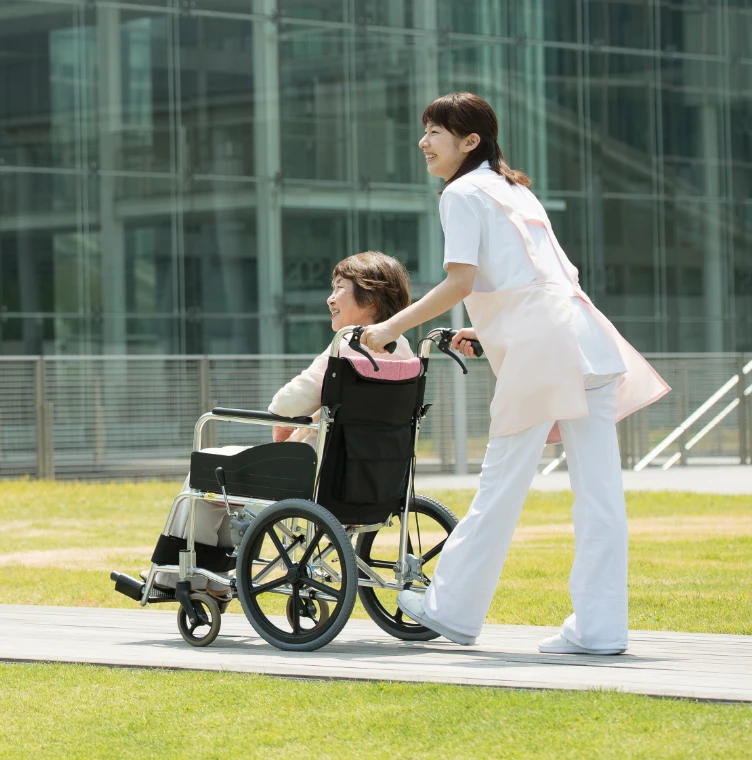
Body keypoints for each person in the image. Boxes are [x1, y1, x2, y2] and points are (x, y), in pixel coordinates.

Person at [361, 92, 669, 655]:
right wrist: (486, 330)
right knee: (600, 496)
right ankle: (601, 629)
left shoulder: (460, 193)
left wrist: (385, 330)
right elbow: (536, 278)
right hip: (588, 341)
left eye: (436, 131)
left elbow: (459, 283)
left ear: (470, 141)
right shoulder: (515, 190)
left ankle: (451, 608)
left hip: (543, 351)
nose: (423, 142)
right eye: (424, 131)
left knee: (499, 486)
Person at [149, 251, 415, 596]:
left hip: (316, 475)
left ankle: (187, 577)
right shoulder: (406, 352)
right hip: (376, 479)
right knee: (223, 470)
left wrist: (294, 425)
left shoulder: (347, 344)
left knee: (205, 472)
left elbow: (283, 406)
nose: (330, 299)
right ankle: (208, 576)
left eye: (339, 288)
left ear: (371, 297)